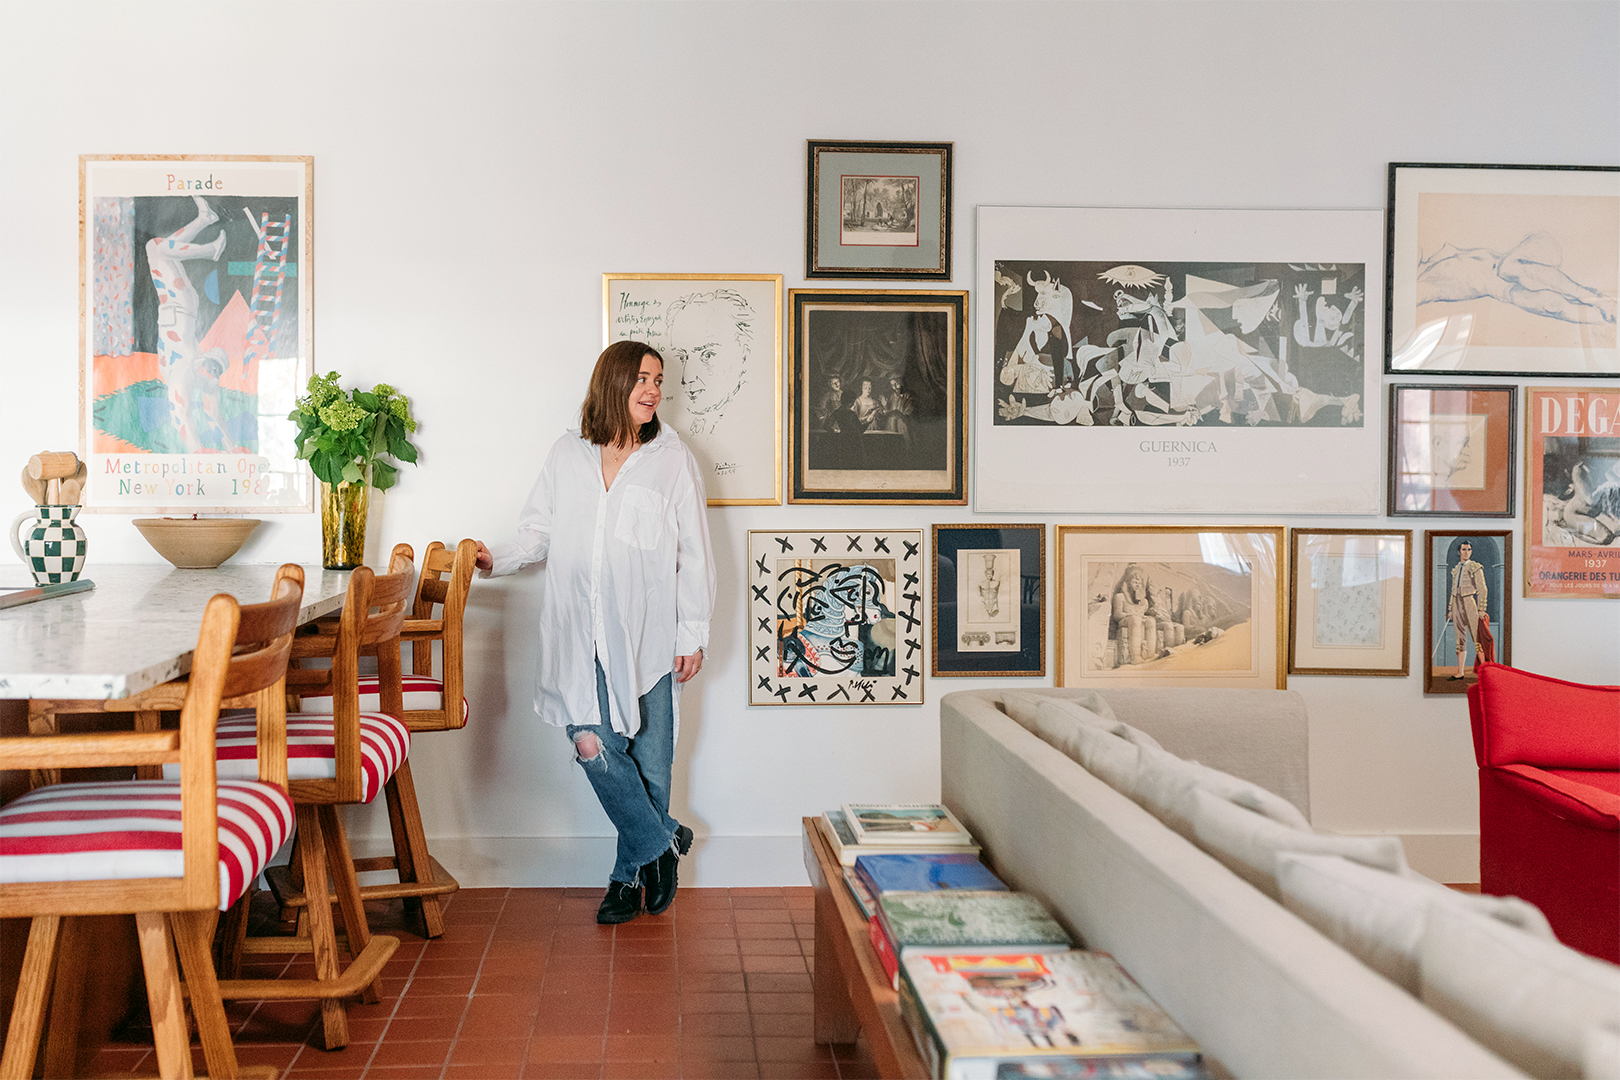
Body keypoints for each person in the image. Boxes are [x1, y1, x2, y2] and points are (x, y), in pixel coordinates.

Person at [475, 341, 716, 924]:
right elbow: (536, 533)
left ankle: (622, 880)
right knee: (593, 745)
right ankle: (662, 844)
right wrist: (493, 558)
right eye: (642, 378)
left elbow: (696, 553)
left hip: (649, 638)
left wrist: (693, 632)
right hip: (578, 637)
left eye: (659, 380)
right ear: (612, 383)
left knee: (650, 766)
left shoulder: (673, 459)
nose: (654, 390)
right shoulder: (567, 454)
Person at [1447, 540, 1488, 680]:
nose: (1467, 552)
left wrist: (1481, 608)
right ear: (1459, 552)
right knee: (1460, 639)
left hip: (1469, 601)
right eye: (1464, 549)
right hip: (1457, 602)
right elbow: (1453, 590)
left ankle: (1485, 671)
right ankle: (1460, 672)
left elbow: (1482, 589)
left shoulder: (1475, 567)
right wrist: (1451, 609)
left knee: (1477, 636)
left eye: (1469, 549)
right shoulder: (1456, 568)